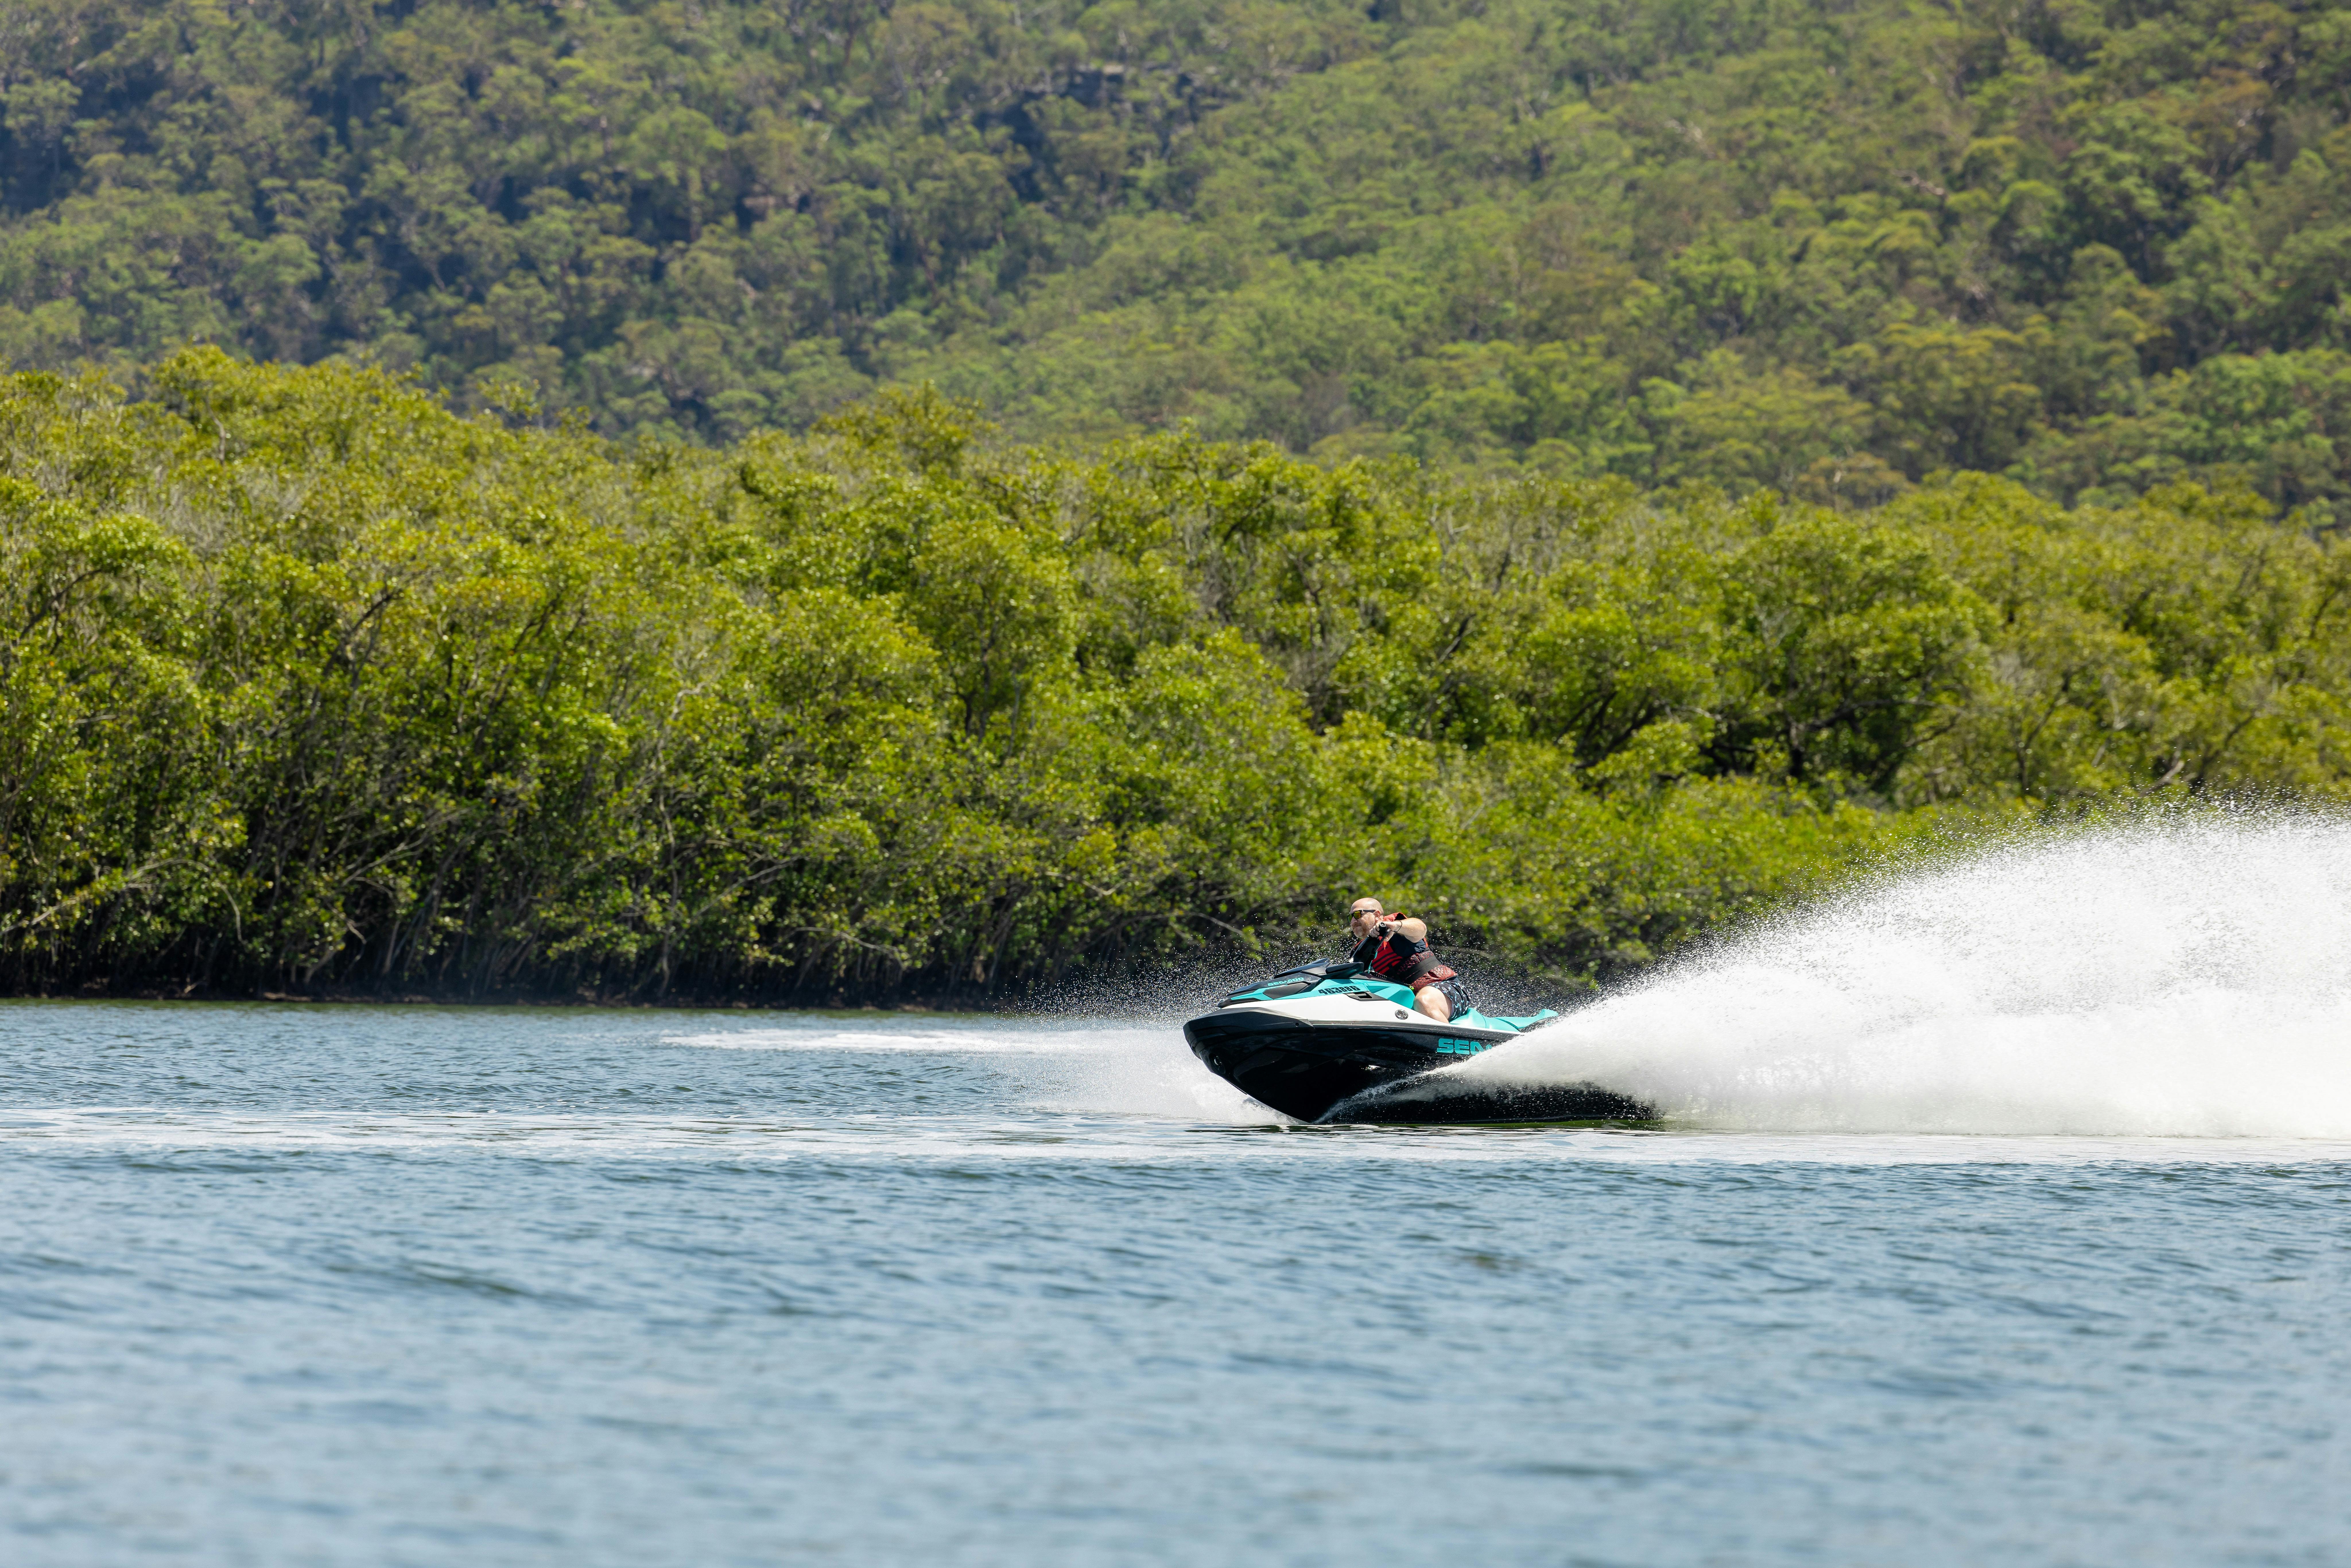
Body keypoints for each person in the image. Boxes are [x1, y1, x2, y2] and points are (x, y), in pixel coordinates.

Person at [1345, 898, 1471, 1022]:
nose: (1354, 921)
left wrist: (1394, 926)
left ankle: (1446, 1040)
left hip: (1449, 991)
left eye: (1358, 915)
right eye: (1351, 918)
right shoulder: (1361, 951)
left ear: (1377, 915)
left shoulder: (1399, 927)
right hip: (1405, 1000)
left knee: (1423, 1002)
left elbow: (1421, 929)